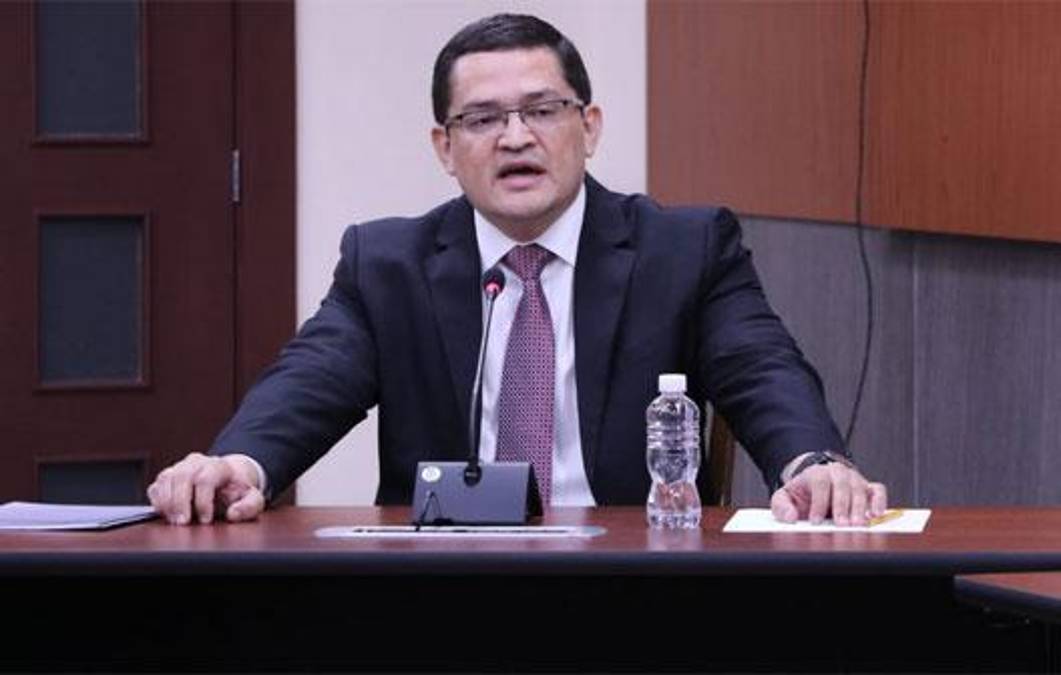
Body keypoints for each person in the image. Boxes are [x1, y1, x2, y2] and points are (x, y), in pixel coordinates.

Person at [148, 13, 887, 527]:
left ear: (588, 128)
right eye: (482, 119)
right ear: (444, 148)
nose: (514, 137)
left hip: (631, 580)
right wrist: (240, 464)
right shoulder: (388, 265)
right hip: (442, 584)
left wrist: (811, 463)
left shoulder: (683, 249)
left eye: (542, 110)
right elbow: (310, 381)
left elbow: (761, 368)